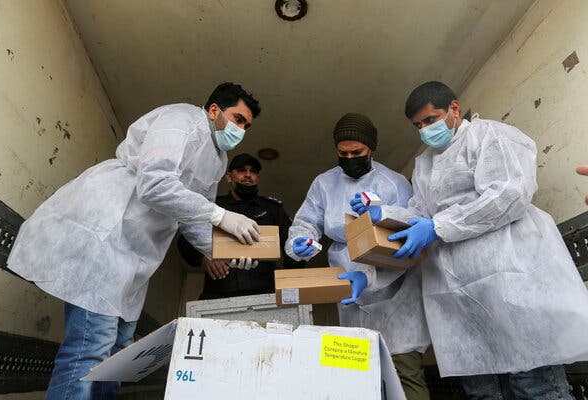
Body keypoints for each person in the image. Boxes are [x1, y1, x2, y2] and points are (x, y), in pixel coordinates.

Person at [6, 82, 263, 399]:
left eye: (246, 126)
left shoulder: (218, 159)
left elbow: (192, 218)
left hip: (133, 258)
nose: (241, 130)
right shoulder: (182, 120)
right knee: (91, 348)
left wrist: (225, 250)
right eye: (238, 119)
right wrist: (222, 216)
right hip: (107, 233)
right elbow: (155, 184)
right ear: (214, 110)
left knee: (117, 358)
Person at [351, 81, 588, 399]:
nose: (424, 130)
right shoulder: (425, 165)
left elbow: (508, 195)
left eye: (430, 120)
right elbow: (419, 215)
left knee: (535, 388)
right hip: (461, 305)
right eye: (418, 125)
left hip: (509, 286)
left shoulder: (490, 136)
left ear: (454, 109)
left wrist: (438, 226)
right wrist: (381, 215)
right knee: (484, 393)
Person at [286, 113, 430, 400]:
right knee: (357, 379)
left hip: (395, 296)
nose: (350, 158)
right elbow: (306, 222)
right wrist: (300, 240)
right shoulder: (324, 184)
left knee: (405, 375)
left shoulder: (394, 183)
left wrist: (381, 219)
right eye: (343, 153)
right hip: (349, 294)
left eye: (357, 152)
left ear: (371, 149)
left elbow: (404, 241)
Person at [177, 153, 303, 299]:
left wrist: (291, 288)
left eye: (253, 171)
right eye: (242, 170)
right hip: (219, 294)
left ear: (257, 178)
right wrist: (205, 256)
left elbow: (292, 247)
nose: (248, 175)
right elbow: (186, 240)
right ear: (229, 177)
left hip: (263, 294)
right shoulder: (213, 207)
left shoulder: (272, 209)